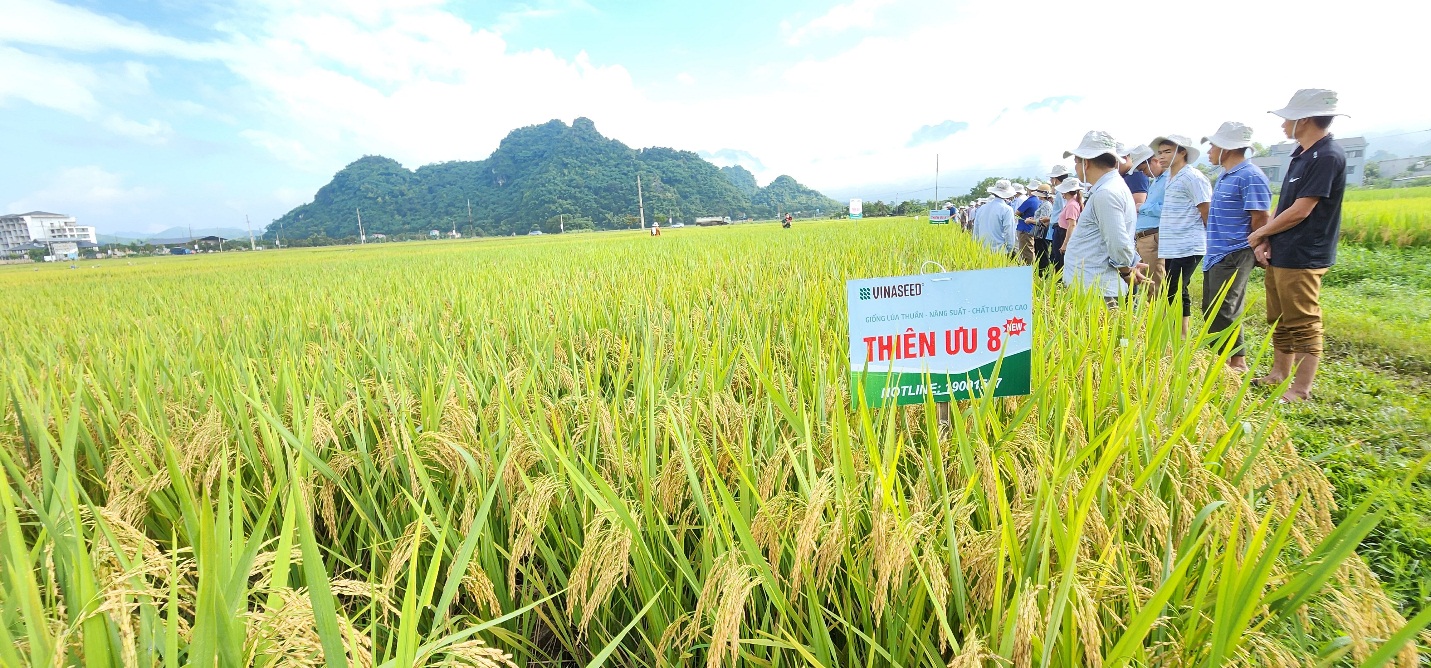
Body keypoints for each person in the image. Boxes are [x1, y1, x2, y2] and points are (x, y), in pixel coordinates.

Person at [1247, 89, 1348, 402]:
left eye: (1287, 118)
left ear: (1304, 119)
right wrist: (1265, 237)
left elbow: (1303, 209)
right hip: (1282, 250)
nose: (1282, 125)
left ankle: (1301, 389)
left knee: (1303, 320)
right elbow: (1285, 203)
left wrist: (1257, 233)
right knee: (1279, 317)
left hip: (1305, 253)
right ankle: (1279, 373)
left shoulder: (1327, 155)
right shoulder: (1300, 155)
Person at [1201, 121, 1271, 372]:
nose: (1209, 150)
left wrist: (1258, 247)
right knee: (1212, 307)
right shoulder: (1226, 175)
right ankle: (1220, 359)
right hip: (1217, 252)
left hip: (1235, 251)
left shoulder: (1250, 176)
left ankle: (1236, 363)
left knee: (1225, 306)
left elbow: (1261, 218)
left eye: (1213, 145)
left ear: (1227, 148)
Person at [1061, 131, 1146, 306]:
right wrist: (1132, 263)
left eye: (1076, 162)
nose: (1075, 167)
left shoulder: (1106, 193)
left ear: (1086, 162)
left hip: (1096, 288)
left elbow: (1117, 242)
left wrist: (1125, 271)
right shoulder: (1110, 188)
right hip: (1094, 285)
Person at [1151, 134, 1211, 335]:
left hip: (1188, 243)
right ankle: (1177, 334)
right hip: (1172, 245)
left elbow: (1206, 211)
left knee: (1173, 291)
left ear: (1182, 152)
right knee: (1175, 290)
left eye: (1167, 152)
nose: (1162, 156)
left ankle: (1180, 336)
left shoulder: (1192, 177)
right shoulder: (1169, 177)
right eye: (1159, 153)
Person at [1127, 145, 1167, 292]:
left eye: (1144, 169)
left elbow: (1168, 209)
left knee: (1154, 285)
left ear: (1154, 161)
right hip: (1143, 237)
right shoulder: (1156, 181)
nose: (1145, 174)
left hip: (1153, 236)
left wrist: (1141, 207)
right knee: (1145, 284)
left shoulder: (1169, 180)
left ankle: (1159, 315)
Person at [972, 179, 1018, 255]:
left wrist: (975, 247)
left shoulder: (982, 208)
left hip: (982, 250)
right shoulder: (1007, 209)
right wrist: (1010, 249)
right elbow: (1009, 232)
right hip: (1000, 251)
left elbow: (976, 230)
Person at [1043, 165, 1072, 270]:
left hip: (1060, 228)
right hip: (1058, 226)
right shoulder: (1062, 192)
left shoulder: (1061, 192)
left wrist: (1049, 219)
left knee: (1058, 258)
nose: (1051, 180)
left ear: (1055, 178)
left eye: (1052, 178)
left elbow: (1064, 211)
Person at [1052, 178, 1082, 271]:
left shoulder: (1072, 205)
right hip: (1062, 232)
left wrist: (1065, 244)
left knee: (1061, 263)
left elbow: (1072, 225)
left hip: (1064, 234)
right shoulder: (1071, 203)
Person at [1014, 181, 1043, 264]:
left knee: (1026, 252)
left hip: (1025, 228)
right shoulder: (1039, 200)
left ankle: (1030, 270)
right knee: (1031, 249)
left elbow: (1017, 213)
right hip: (1033, 228)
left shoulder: (1030, 201)